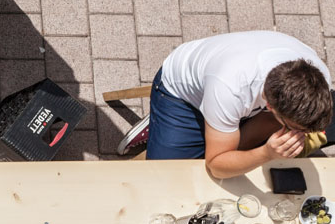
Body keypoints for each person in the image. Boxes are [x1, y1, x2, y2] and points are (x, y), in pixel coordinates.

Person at [120, 31, 334, 176]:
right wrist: (267, 154)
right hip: (180, 98)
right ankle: (160, 122)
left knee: (238, 154)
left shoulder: (319, 77)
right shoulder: (231, 88)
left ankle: (219, 130)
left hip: (234, 97)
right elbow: (216, 166)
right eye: (294, 128)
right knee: (167, 175)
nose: (301, 135)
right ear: (269, 106)